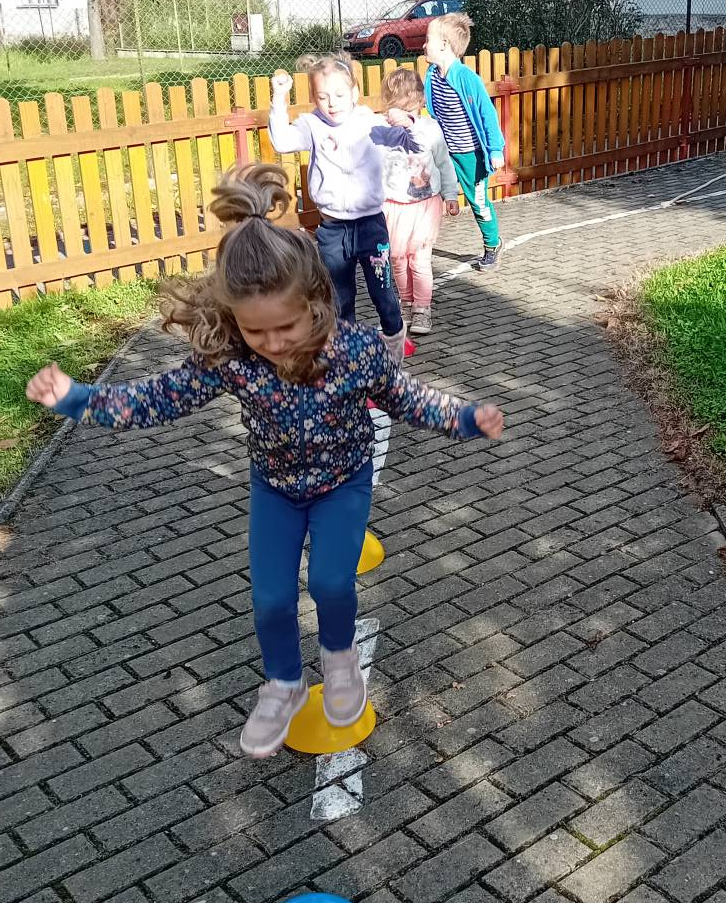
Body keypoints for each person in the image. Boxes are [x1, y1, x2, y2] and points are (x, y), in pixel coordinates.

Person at [25, 164, 504, 759]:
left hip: (342, 484)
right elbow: (157, 398)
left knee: (330, 580)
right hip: (275, 489)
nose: (274, 344)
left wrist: (464, 418)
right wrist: (77, 399)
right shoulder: (232, 357)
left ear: (316, 302)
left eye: (286, 326)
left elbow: (406, 398)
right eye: (256, 331)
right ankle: (283, 683)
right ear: (235, 322)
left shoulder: (354, 351)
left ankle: (340, 660)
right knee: (271, 598)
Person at [269, 54, 422, 356]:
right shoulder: (312, 124)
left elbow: (411, 143)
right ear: (313, 96)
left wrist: (408, 123)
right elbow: (282, 141)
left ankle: (394, 346)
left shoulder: (368, 121)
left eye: (339, 95)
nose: (331, 103)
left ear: (354, 93)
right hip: (332, 229)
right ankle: (348, 358)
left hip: (370, 226)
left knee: (382, 291)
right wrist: (279, 99)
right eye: (323, 96)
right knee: (340, 298)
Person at [378, 66, 461, 337]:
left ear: (419, 99)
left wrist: (451, 194)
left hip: (425, 205)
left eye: (409, 98)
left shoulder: (428, 128)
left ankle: (422, 307)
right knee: (398, 260)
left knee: (420, 259)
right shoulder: (381, 129)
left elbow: (443, 163)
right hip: (394, 207)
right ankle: (406, 303)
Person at [423, 11, 506, 270]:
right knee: (428, 193)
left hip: (471, 154)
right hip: (445, 152)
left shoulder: (467, 79)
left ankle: (492, 244)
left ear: (443, 45)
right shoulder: (432, 75)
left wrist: (495, 149)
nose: (424, 45)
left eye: (428, 39)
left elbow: (487, 114)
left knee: (478, 202)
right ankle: (420, 244)